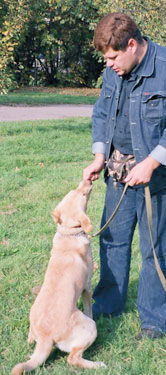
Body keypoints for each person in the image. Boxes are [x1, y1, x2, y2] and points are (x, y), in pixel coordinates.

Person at [83, 12, 166, 339]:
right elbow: (103, 111)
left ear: (132, 45)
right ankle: (108, 304)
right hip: (117, 171)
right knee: (113, 241)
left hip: (156, 179)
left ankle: (153, 321)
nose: (109, 65)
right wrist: (99, 156)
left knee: (154, 249)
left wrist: (153, 162)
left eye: (113, 57)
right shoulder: (115, 70)